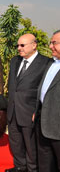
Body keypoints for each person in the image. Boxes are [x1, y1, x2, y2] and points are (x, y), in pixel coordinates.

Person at [6, 34, 50, 172]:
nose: (19, 48)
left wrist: (37, 110)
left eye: (22, 45)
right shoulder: (15, 61)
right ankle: (20, 166)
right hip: (13, 109)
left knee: (31, 145)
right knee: (15, 141)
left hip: (30, 111)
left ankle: (32, 169)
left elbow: (45, 90)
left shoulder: (45, 63)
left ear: (34, 45)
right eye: (18, 45)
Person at [34, 30, 60, 172]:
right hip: (43, 123)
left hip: (57, 127)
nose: (50, 46)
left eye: (54, 43)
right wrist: (36, 111)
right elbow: (42, 90)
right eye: (51, 42)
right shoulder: (51, 63)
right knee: (44, 163)